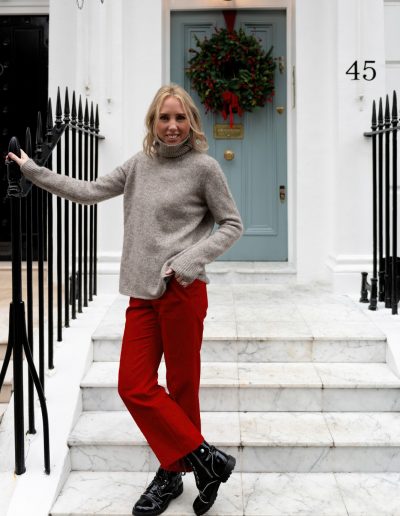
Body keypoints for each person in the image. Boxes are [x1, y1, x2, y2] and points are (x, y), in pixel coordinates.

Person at [7, 83, 243, 516]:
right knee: (133, 385)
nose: (172, 126)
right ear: (152, 122)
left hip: (184, 292)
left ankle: (173, 472)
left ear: (191, 122)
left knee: (183, 387)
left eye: (179, 118)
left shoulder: (205, 168)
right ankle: (206, 460)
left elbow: (231, 224)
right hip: (141, 294)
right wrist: (32, 171)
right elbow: (91, 190)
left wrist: (188, 259)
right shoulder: (139, 164)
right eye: (163, 118)